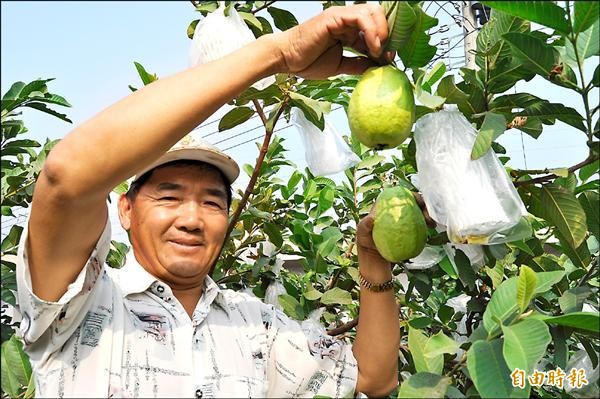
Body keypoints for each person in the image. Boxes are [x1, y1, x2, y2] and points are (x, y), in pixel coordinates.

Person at [16, 4, 401, 398]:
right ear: (126, 209)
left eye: (212, 202)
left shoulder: (255, 326)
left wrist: (372, 258)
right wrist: (280, 53)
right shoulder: (78, 304)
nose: (192, 218)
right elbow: (66, 177)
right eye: (169, 196)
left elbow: (371, 378)